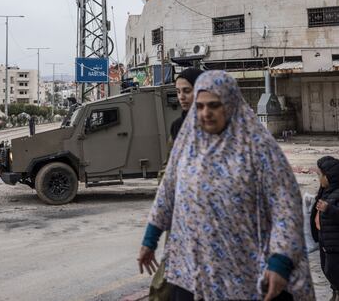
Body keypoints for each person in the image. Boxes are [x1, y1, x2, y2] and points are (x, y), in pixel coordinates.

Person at [137, 70, 315, 301]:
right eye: (200, 106)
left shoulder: (259, 148)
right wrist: (149, 240)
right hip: (192, 272)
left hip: (250, 274)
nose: (205, 113)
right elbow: (168, 192)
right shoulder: (188, 143)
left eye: (214, 105)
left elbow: (286, 208)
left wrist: (280, 261)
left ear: (230, 104)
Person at [151, 68, 203, 301]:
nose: (181, 96)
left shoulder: (216, 123)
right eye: (178, 91)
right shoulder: (177, 126)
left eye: (187, 91)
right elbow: (170, 166)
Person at [310, 157, 339, 301]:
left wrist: (329, 209)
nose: (319, 178)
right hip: (325, 241)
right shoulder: (326, 191)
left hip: (335, 244)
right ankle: (335, 293)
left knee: (334, 271)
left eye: (320, 175)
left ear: (329, 176)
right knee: (327, 270)